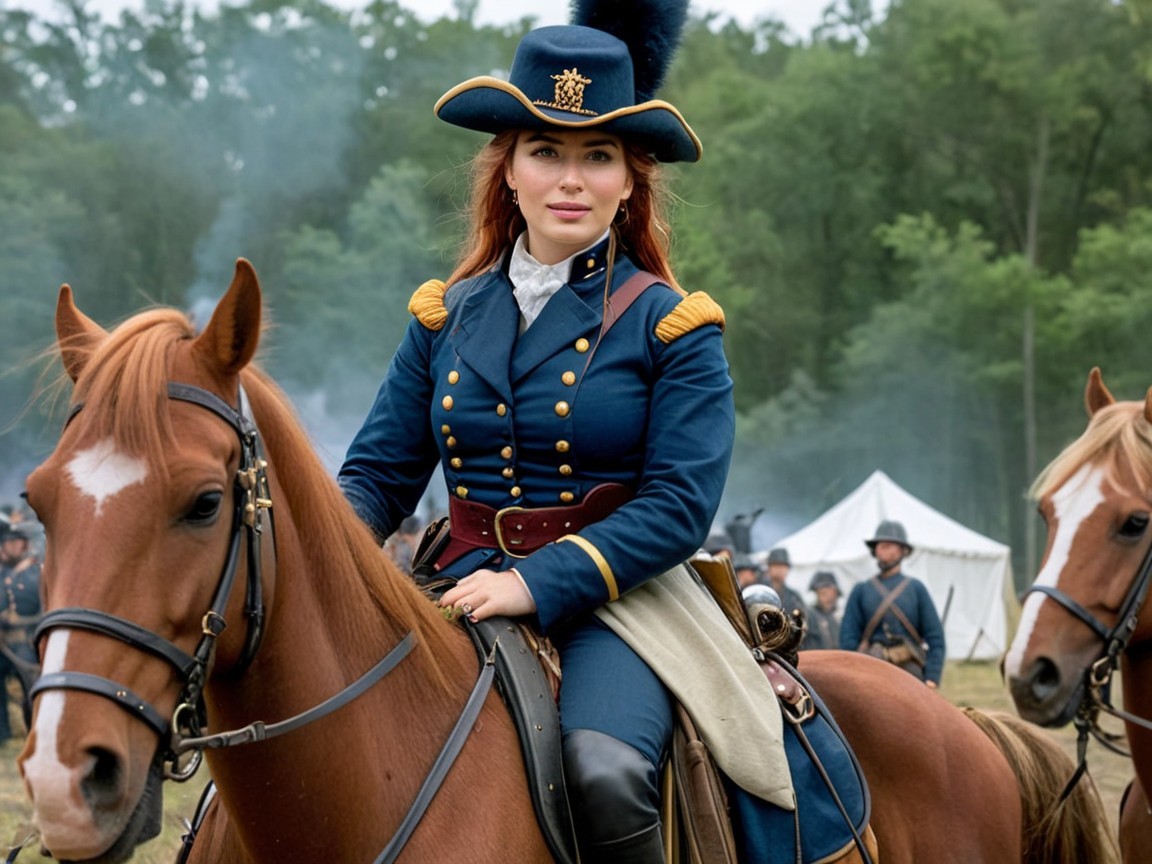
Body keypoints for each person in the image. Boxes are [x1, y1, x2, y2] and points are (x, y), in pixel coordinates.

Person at [338, 3, 794, 861]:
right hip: (451, 581)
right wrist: (325, 561)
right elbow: (376, 477)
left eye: (598, 157)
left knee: (604, 771)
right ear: (507, 168)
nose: (570, 179)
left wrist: (534, 586)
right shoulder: (442, 316)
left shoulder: (674, 327)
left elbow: (678, 508)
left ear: (630, 180)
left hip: (615, 603)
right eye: (546, 151)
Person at [839, 520, 946, 687]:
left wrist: (932, 677)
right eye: (880, 546)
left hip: (910, 670)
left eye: (889, 546)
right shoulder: (861, 590)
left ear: (902, 551)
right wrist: (853, 672)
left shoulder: (916, 589)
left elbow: (936, 638)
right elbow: (848, 639)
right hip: (870, 668)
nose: (883, 551)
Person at [0, 524, 41, 743]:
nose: (9, 548)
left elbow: (40, 607)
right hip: (3, 643)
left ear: (23, 546)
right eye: (7, 543)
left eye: (14, 543)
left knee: (31, 689)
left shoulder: (34, 573)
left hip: (25, 642)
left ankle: (36, 730)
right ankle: (3, 734)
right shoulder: (3, 572)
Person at [764, 547, 809, 625]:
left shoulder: (795, 597)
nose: (780, 570)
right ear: (769, 568)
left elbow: (802, 624)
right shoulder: (760, 593)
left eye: (783, 566)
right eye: (776, 565)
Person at [802, 570, 841, 651]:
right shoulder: (808, 614)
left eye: (828, 590)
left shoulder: (837, 618)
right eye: (822, 591)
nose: (825, 594)